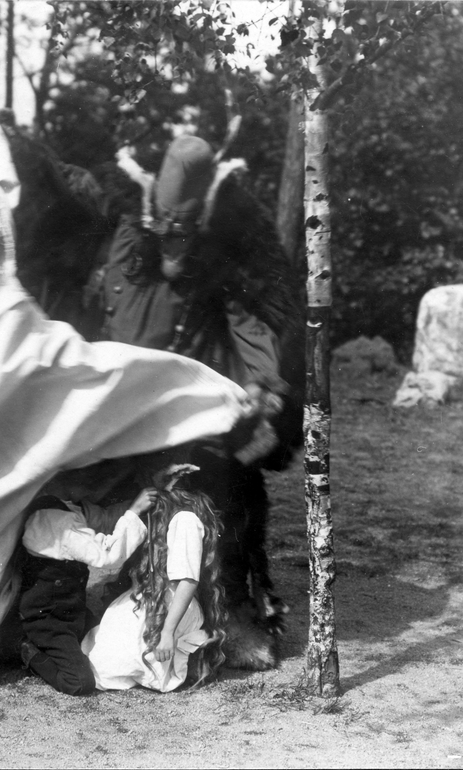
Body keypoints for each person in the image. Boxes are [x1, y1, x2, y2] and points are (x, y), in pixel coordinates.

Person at [85, 134, 295, 667]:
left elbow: (247, 317)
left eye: (183, 237)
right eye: (165, 237)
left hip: (193, 401)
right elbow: (113, 318)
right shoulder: (129, 245)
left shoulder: (218, 260)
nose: (173, 248)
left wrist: (263, 379)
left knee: (220, 496)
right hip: (123, 402)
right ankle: (110, 606)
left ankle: (233, 616)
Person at [81, 465, 228, 692]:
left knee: (106, 669)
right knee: (101, 655)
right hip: (156, 598)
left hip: (174, 607)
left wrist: (167, 632)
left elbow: (188, 581)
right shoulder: (166, 516)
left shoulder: (185, 520)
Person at [17, 488, 156, 695]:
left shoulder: (67, 505)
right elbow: (106, 556)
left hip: (73, 612)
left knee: (114, 646)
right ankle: (27, 649)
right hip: (48, 620)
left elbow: (104, 518)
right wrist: (134, 511)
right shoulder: (53, 518)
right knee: (79, 682)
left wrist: (141, 498)